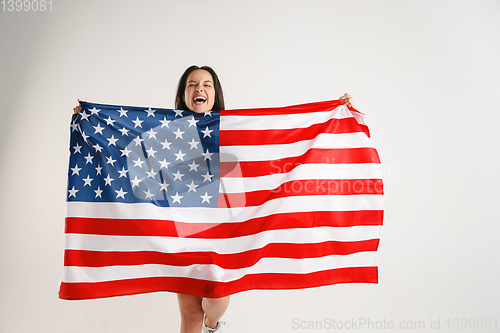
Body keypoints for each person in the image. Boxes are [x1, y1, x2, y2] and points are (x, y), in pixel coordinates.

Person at [73, 65, 355, 333]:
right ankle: (205, 327)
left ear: (214, 93)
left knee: (217, 300)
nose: (200, 88)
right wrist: (89, 119)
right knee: (190, 316)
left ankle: (213, 326)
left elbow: (275, 136)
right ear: (184, 94)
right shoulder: (164, 129)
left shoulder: (233, 127)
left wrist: (334, 110)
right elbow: (124, 148)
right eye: (192, 84)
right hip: (182, 235)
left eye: (207, 84)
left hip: (224, 234)